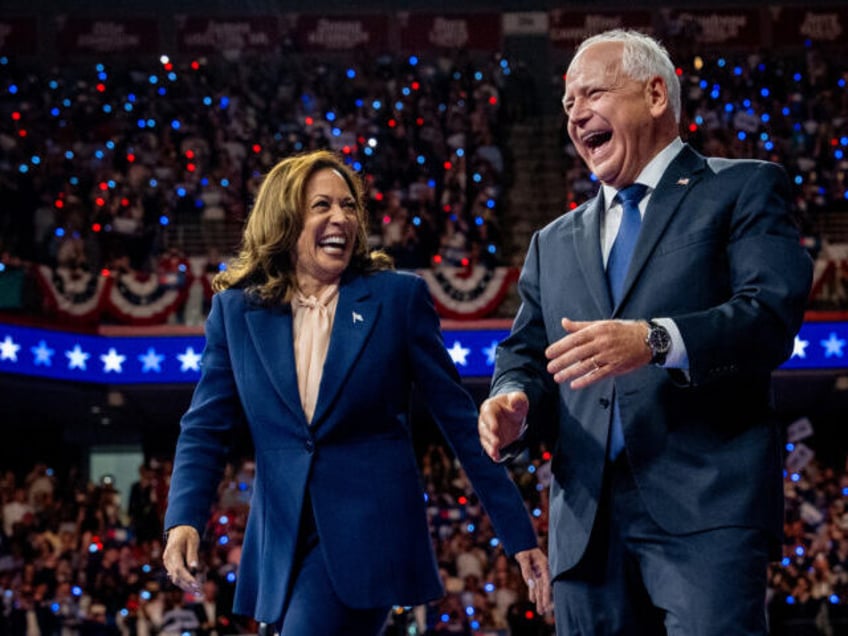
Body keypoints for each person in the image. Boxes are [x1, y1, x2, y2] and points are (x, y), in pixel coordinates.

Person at [478, 29, 812, 635]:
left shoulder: (741, 189)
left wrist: (655, 340)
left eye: (593, 93)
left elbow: (769, 317)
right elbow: (524, 354)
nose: (576, 113)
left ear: (656, 94)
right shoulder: (552, 243)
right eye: (567, 104)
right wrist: (512, 400)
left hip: (706, 512)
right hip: (585, 526)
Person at [162, 149, 550, 636]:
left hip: (368, 538)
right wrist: (184, 519)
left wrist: (518, 534)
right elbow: (205, 426)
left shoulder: (397, 299)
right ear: (285, 218)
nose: (340, 217)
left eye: (348, 206)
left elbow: (458, 421)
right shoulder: (236, 312)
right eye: (321, 205)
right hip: (280, 546)